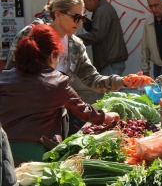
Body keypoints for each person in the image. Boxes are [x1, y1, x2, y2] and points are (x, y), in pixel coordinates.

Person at [5, 0, 147, 138]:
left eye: (83, 17)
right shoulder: (31, 34)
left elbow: (93, 79)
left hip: (55, 122)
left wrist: (123, 81)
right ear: (58, 14)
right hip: (22, 119)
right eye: (76, 17)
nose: (80, 22)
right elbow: (10, 74)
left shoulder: (76, 44)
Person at [0, 24, 120, 166]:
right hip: (36, 156)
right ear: (52, 55)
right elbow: (82, 110)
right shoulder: (56, 81)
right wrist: (105, 117)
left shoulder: (5, 77)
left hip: (4, 151)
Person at [77, 0, 128, 76]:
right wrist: (87, 23)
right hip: (111, 61)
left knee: (111, 89)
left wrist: (74, 39)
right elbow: (101, 30)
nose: (84, 7)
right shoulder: (102, 8)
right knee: (113, 89)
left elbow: (96, 36)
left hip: (110, 63)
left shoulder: (101, 11)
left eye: (85, 3)